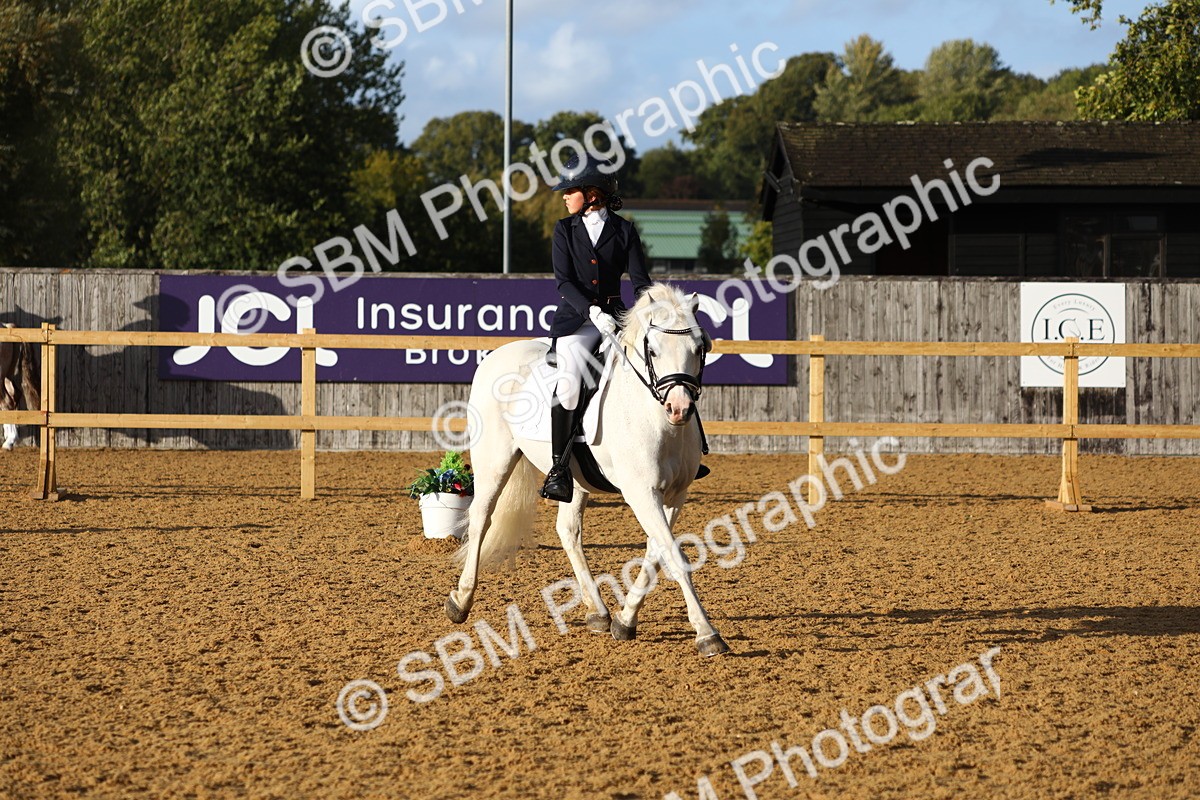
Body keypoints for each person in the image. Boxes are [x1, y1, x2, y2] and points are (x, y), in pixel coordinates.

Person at [540, 153, 651, 502]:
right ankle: (559, 469)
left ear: (591, 193)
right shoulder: (564, 229)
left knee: (657, 367)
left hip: (616, 318)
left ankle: (685, 453)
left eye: (569, 190)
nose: (563, 196)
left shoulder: (624, 230)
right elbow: (564, 283)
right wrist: (591, 311)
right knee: (571, 382)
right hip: (577, 322)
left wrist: (649, 314)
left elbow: (641, 282)